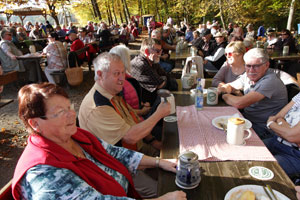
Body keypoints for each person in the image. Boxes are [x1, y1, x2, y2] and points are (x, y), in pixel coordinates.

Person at [12, 82, 186, 200]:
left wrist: (159, 162)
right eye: (59, 112)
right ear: (35, 124)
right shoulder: (43, 173)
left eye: (69, 107)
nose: (71, 114)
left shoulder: (76, 135)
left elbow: (115, 152)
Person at [79, 52, 170, 154]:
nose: (122, 78)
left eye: (123, 72)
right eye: (116, 73)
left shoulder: (112, 92)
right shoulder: (98, 106)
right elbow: (131, 138)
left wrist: (153, 141)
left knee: (171, 139)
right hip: (119, 163)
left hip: (138, 148)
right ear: (100, 75)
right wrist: (159, 113)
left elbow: (133, 119)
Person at [218, 48, 288, 139]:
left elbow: (239, 103)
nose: (251, 70)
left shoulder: (270, 81)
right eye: (248, 65)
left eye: (256, 66)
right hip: (248, 120)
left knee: (223, 137)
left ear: (266, 65)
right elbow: (229, 86)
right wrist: (227, 89)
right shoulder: (249, 75)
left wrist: (224, 95)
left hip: (264, 129)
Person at [263, 92, 300, 178]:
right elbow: (276, 117)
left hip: (295, 155)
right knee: (245, 152)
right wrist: (286, 128)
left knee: (263, 168)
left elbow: (292, 136)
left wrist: (273, 124)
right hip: (276, 140)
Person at [130, 38, 170, 106]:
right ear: (147, 52)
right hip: (145, 106)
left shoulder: (152, 61)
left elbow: (165, 75)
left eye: (161, 51)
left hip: (152, 98)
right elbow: (161, 84)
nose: (160, 54)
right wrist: (163, 78)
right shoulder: (141, 64)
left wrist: (163, 78)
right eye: (157, 51)